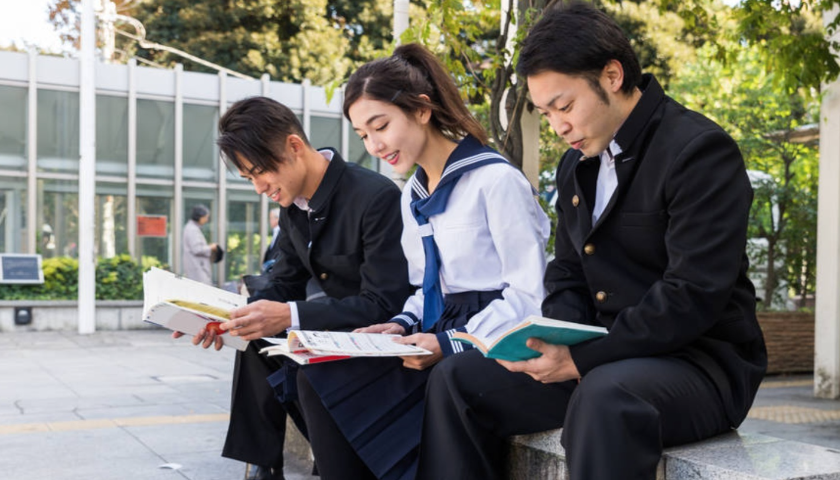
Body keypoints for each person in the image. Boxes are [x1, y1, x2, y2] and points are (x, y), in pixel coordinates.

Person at [414, 4, 768, 480]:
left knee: (605, 397)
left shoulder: (698, 151)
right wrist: (546, 342)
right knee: (458, 379)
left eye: (564, 106)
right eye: (546, 112)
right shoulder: (575, 166)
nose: (559, 126)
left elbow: (693, 295)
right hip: (600, 357)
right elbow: (566, 272)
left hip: (698, 366)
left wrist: (580, 359)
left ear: (613, 75)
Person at [294, 43, 550, 480]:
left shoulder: (494, 180)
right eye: (363, 135)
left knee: (443, 380)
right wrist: (401, 324)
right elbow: (424, 288)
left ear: (422, 110)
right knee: (318, 377)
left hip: (490, 333)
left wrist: (451, 342)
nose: (375, 146)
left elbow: (530, 295)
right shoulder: (413, 195)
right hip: (434, 329)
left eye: (381, 126)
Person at [175, 96, 412, 480]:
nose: (258, 187)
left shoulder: (375, 198)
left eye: (259, 172)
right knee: (256, 336)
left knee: (289, 348)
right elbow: (282, 282)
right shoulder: (293, 207)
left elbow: (384, 303)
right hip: (334, 332)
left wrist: (288, 315)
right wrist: (226, 319)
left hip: (378, 336)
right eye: (248, 178)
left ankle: (330, 460)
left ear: (294, 147)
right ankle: (265, 467)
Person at [182, 204, 218, 284]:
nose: (206, 220)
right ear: (199, 217)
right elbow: (197, 249)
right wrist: (211, 247)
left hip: (198, 269)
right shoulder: (192, 229)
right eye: (206, 217)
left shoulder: (192, 228)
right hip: (197, 270)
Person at [263, 207, 282, 273]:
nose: (269, 221)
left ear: (277, 219)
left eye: (271, 218)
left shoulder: (282, 232)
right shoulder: (275, 232)